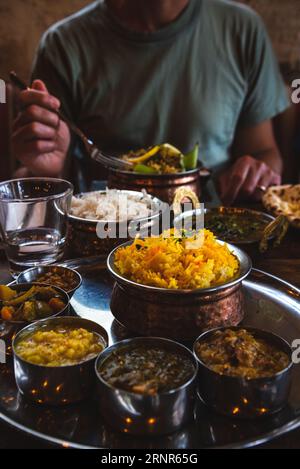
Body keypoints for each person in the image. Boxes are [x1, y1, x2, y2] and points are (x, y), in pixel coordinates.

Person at [12, 0, 289, 204]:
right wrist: (47, 168)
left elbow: (265, 151)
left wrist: (257, 174)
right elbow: (47, 177)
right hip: (108, 233)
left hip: (213, 232)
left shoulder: (241, 29)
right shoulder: (64, 45)